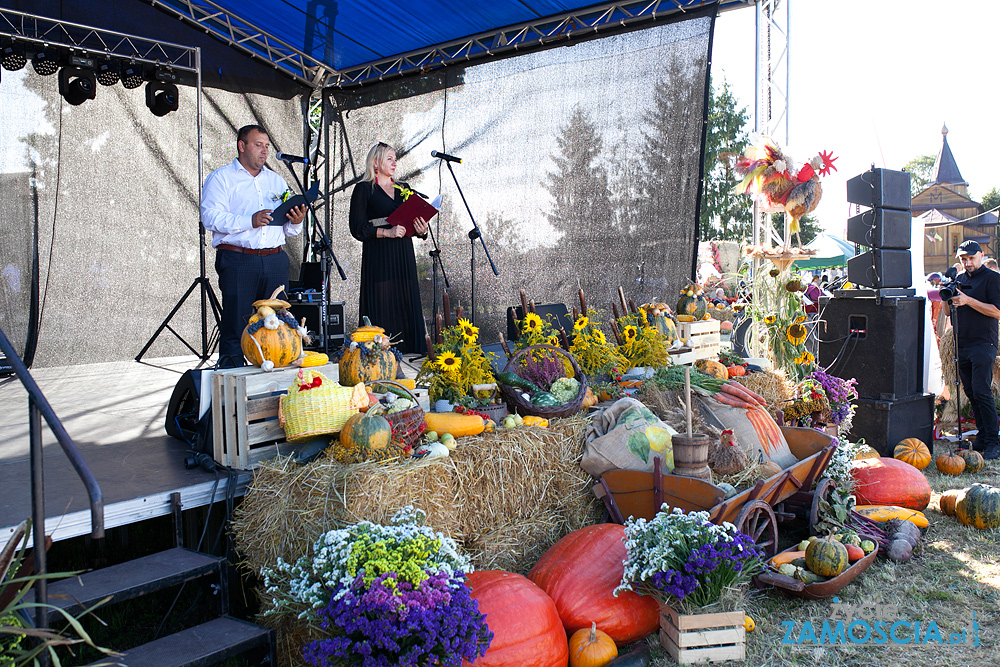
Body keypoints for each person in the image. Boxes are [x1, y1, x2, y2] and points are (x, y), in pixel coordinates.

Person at [201, 124, 307, 368]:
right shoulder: (221, 178)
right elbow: (210, 217)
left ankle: (276, 387)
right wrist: (249, 221)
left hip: (274, 260)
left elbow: (288, 229)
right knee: (237, 326)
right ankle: (232, 390)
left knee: (279, 325)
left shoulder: (276, 181)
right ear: (242, 146)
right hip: (239, 260)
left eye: (267, 146)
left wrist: (297, 222)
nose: (264, 151)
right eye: (258, 145)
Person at [349, 142, 428, 356]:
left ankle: (411, 356)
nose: (395, 162)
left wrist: (422, 230)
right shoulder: (364, 189)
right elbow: (357, 228)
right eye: (389, 158)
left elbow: (413, 223)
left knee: (405, 301)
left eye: (395, 159)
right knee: (382, 303)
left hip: (403, 254)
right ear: (376, 162)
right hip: (379, 255)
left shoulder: (404, 188)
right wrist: (387, 232)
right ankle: (379, 356)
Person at [944, 240, 1000, 459]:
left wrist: (968, 300)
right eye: (963, 259)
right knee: (971, 393)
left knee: (982, 391)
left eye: (971, 258)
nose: (967, 263)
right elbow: (949, 313)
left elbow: (997, 311)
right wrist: (947, 295)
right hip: (963, 343)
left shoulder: (993, 279)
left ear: (981, 255)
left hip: (983, 343)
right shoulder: (958, 279)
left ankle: (993, 442)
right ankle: (983, 438)